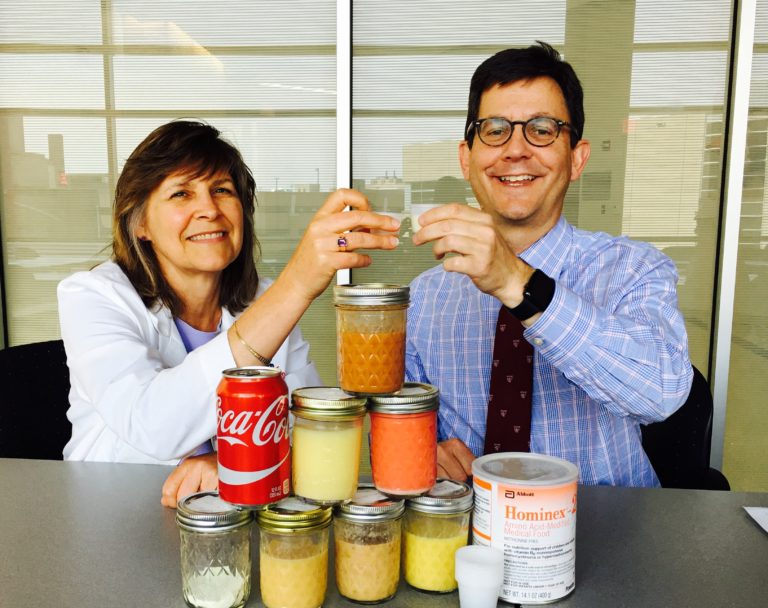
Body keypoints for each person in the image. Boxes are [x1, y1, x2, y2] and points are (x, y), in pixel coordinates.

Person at [58, 120, 399, 507]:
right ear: (140, 224)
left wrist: (227, 463)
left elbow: (309, 432)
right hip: (114, 517)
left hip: (238, 520)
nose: (209, 210)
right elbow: (151, 425)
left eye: (221, 190)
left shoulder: (264, 300)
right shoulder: (92, 296)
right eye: (181, 194)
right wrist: (298, 283)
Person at [406, 42, 692, 487]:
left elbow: (662, 393)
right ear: (467, 158)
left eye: (541, 129)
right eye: (495, 129)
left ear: (577, 159)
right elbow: (398, 411)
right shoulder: (426, 294)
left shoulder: (633, 269)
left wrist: (519, 283)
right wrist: (420, 446)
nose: (515, 150)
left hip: (608, 529)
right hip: (467, 539)